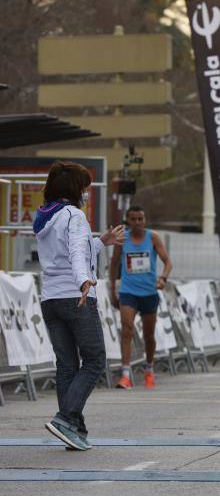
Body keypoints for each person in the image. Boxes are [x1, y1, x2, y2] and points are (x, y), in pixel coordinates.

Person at [33, 161, 125, 451]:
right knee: (96, 359)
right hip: (77, 297)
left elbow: (68, 252)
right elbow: (74, 253)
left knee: (67, 366)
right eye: (84, 188)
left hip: (51, 298)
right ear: (75, 190)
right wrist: (84, 281)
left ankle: (75, 429)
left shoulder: (45, 217)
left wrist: (101, 242)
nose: (86, 194)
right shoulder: (74, 215)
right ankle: (65, 418)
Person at [109, 206, 173, 389]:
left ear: (144, 220)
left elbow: (168, 262)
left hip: (149, 293)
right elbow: (114, 264)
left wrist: (163, 278)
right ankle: (125, 375)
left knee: (149, 335)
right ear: (128, 221)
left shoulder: (152, 237)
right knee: (127, 329)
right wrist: (113, 288)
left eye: (140, 219)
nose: (137, 222)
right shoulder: (122, 239)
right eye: (133, 219)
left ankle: (149, 369)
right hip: (128, 292)